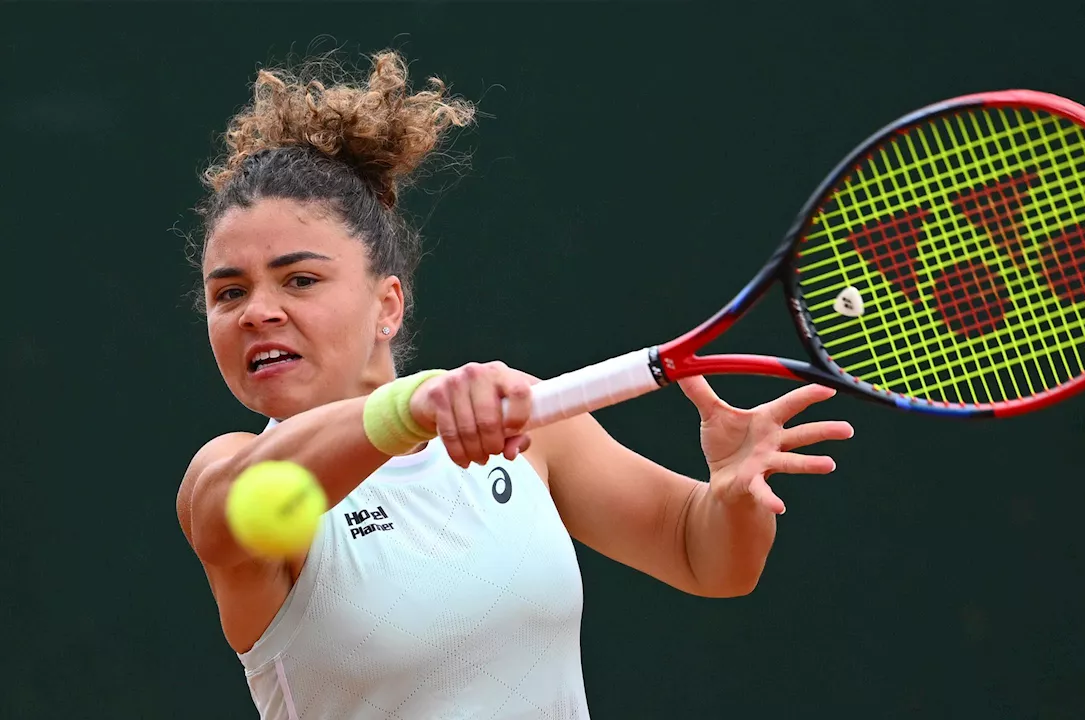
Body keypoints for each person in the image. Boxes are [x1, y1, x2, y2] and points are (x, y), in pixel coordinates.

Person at [175, 50, 854, 720]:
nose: (258, 311)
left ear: (387, 304)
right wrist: (410, 407)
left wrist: (733, 498)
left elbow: (704, 557)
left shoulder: (524, 427)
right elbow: (231, 510)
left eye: (300, 279)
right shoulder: (234, 474)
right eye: (229, 292)